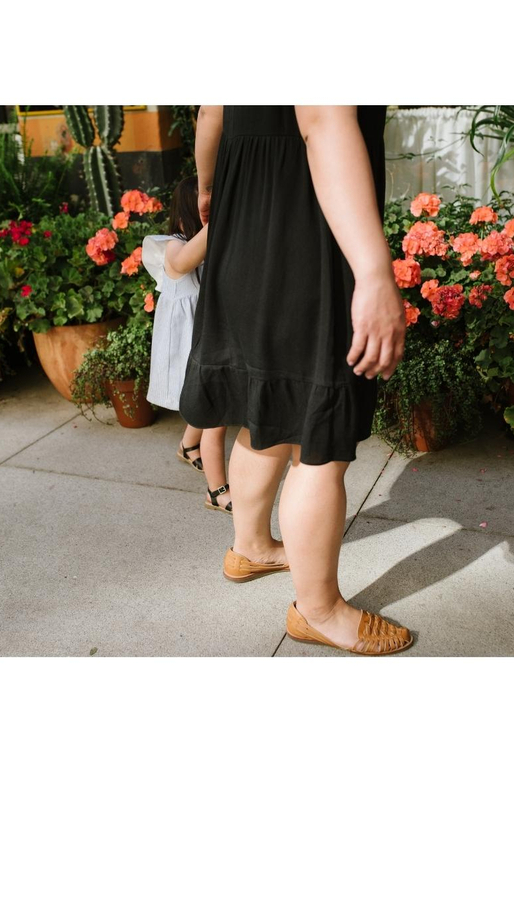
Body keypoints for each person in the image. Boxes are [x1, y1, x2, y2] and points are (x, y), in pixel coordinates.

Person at [180, 106, 413, 655]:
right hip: (306, 225)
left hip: (244, 221)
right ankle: (320, 610)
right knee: (317, 429)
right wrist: (373, 272)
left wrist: (209, 186)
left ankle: (250, 545)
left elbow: (211, 109)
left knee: (264, 400)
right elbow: (324, 120)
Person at [142, 177, 231, 514]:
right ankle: (217, 491)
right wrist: (224, 213)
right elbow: (183, 263)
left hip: (208, 339)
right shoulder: (173, 247)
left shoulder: (214, 246)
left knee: (204, 402)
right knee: (214, 413)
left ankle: (189, 444)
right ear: (186, 216)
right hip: (186, 342)